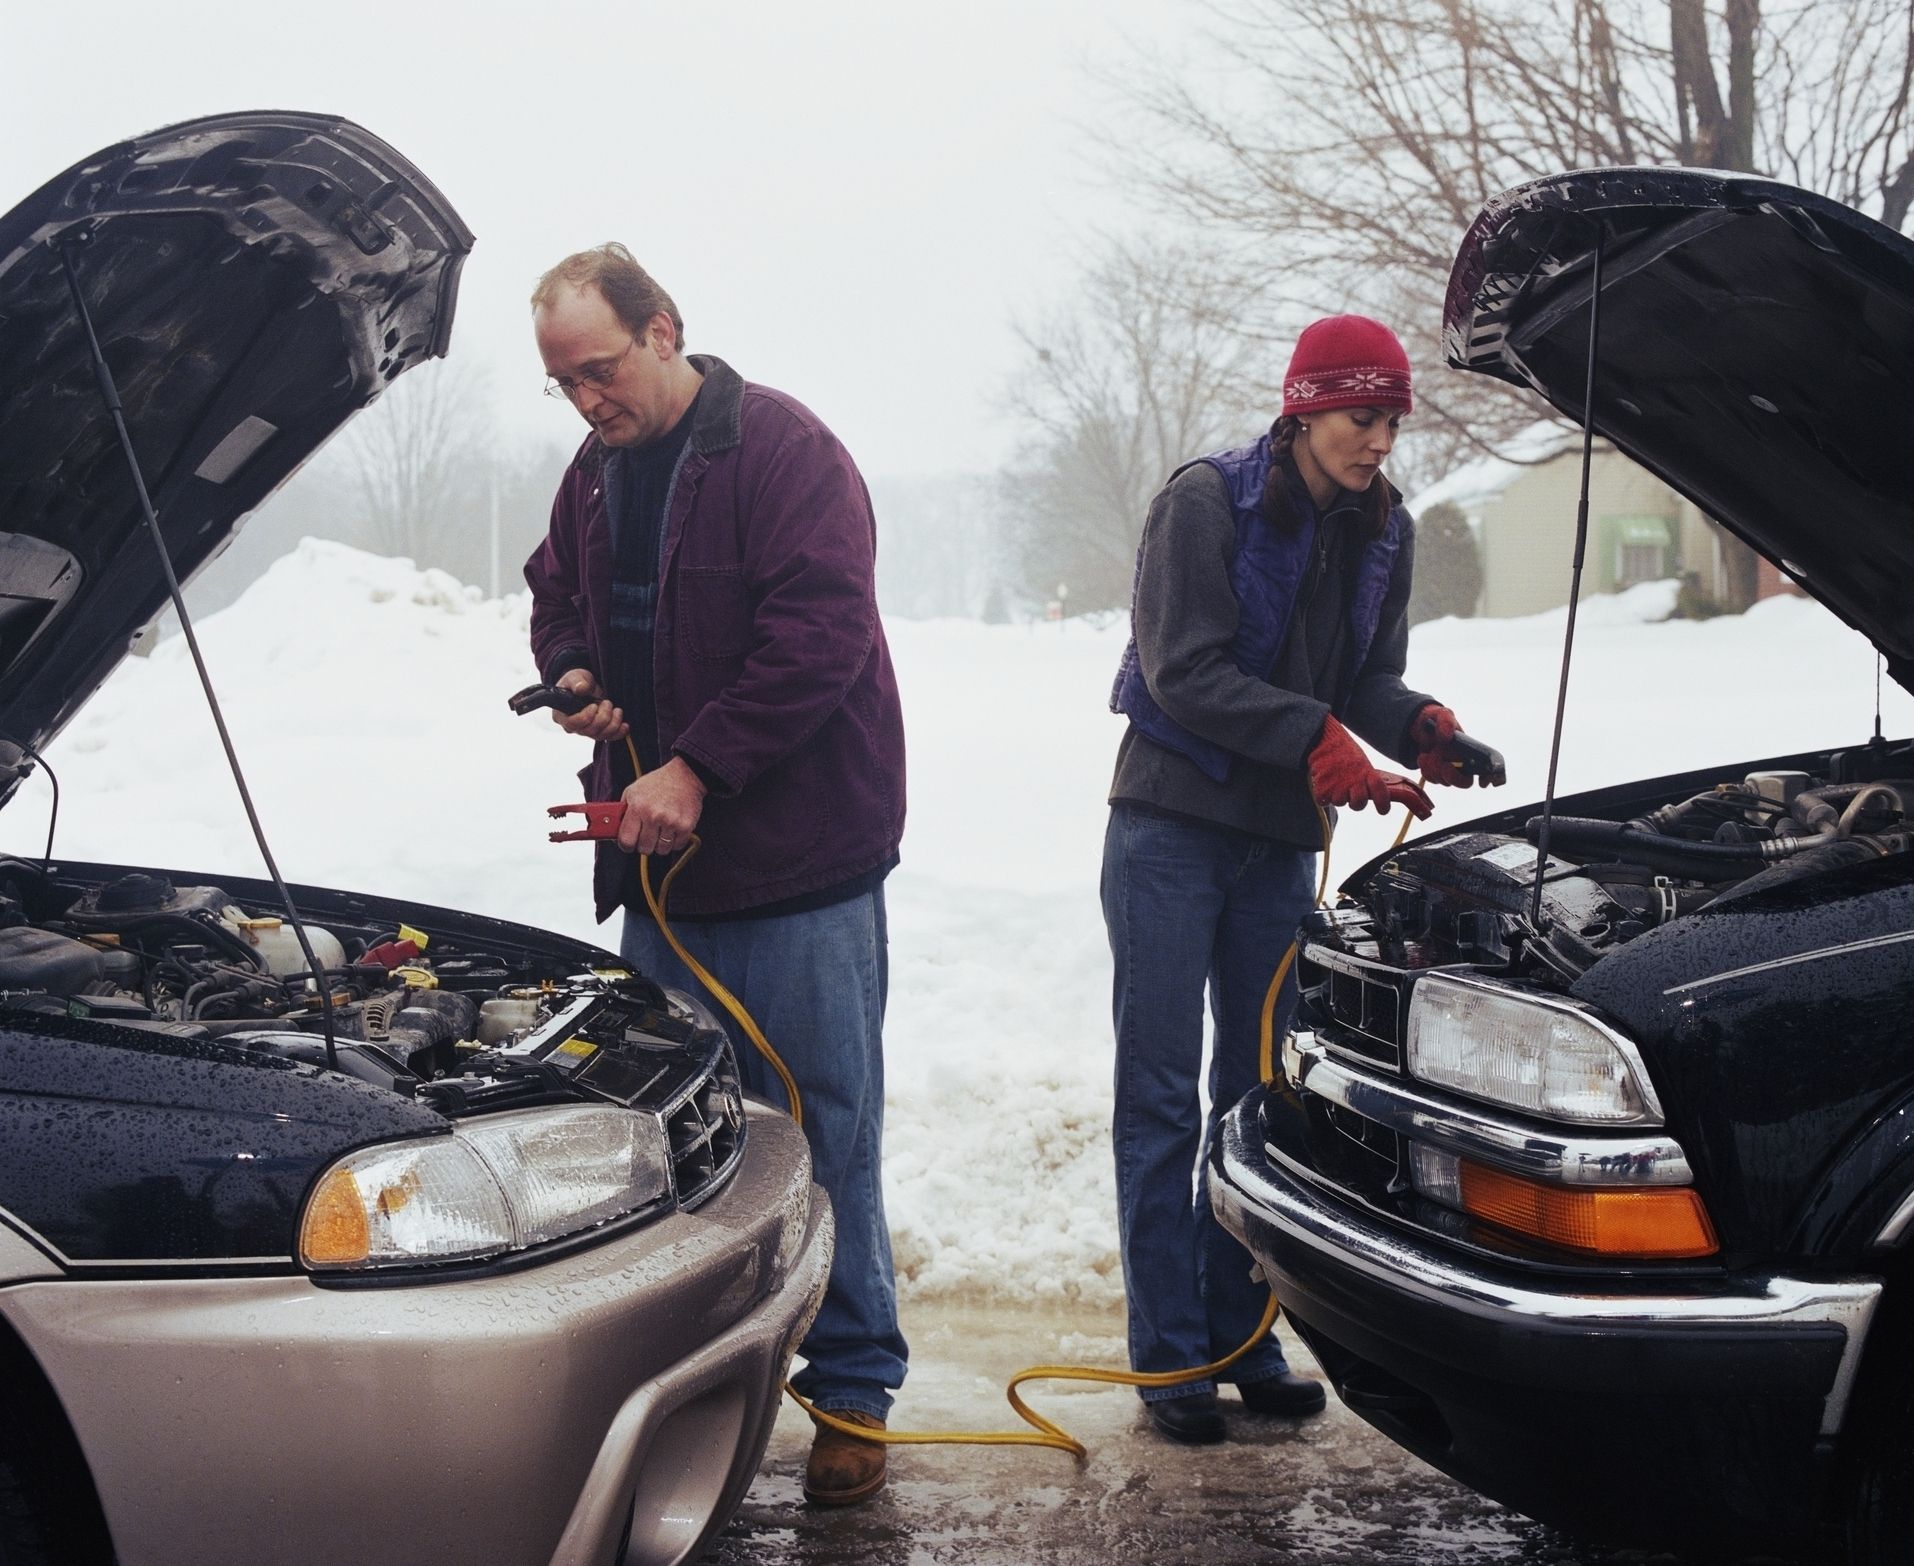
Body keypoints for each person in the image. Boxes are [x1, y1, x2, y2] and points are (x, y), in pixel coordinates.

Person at [522, 245, 907, 1506]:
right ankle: (708, 1395)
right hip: (663, 886)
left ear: (664, 327)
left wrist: (695, 767)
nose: (587, 402)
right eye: (565, 385)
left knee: (823, 1129)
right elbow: (553, 594)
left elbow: (822, 634)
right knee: (689, 1154)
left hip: (798, 871)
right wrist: (577, 672)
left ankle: (851, 1389)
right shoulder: (594, 478)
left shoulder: (786, 452)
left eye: (600, 371)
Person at [1101, 314, 1493, 1445]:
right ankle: (1171, 1358)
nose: (1377, 441)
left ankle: (1243, 1339)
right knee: (1163, 1094)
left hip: (1278, 840)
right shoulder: (1206, 504)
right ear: (1304, 408)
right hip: (1169, 827)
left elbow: (1366, 677)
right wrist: (1318, 737)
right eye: (1360, 417)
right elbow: (1182, 673)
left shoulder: (1384, 529)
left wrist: (1418, 723)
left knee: (1258, 1096)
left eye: (1389, 421)